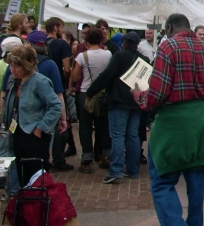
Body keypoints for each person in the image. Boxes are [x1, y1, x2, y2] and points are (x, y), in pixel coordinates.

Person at [132, 13, 204, 226]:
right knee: (197, 187)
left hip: (171, 125)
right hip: (198, 123)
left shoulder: (168, 47)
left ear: (169, 28)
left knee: (161, 183)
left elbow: (156, 94)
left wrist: (139, 95)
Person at [86, 32, 147, 183]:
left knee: (118, 136)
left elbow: (107, 75)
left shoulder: (119, 56)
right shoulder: (144, 59)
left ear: (124, 43)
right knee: (133, 136)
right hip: (136, 102)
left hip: (118, 101)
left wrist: (91, 91)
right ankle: (133, 170)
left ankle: (115, 171)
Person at [3, 45, 62, 186]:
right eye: (11, 65)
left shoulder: (40, 81)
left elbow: (55, 105)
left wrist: (40, 128)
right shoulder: (15, 82)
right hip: (18, 131)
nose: (12, 69)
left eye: (16, 66)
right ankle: (25, 200)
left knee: (36, 171)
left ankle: (38, 201)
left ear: (26, 65)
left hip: (35, 133)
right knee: (20, 169)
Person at [72, 27, 112, 173]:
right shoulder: (108, 54)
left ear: (87, 41)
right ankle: (106, 155)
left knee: (86, 127)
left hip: (85, 93)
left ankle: (87, 158)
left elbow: (76, 77)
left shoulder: (82, 56)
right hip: (102, 94)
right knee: (104, 126)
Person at [44, 16, 74, 172]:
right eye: (61, 27)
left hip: (41, 86)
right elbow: (67, 68)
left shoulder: (41, 43)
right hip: (57, 86)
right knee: (61, 122)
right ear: (55, 28)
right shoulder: (62, 44)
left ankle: (45, 158)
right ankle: (58, 158)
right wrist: (66, 80)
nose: (62, 30)